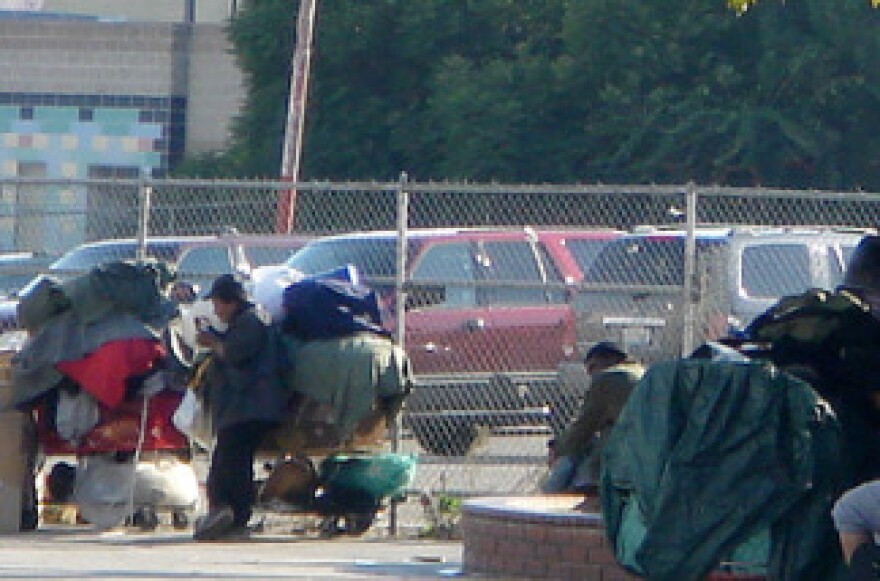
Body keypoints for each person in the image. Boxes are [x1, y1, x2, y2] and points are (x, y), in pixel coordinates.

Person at [192, 274, 288, 541]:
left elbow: (236, 354)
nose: (215, 309)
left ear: (231, 301)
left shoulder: (252, 321)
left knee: (231, 459)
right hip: (245, 406)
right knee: (230, 459)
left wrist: (212, 343)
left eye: (217, 303)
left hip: (251, 405)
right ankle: (230, 512)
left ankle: (232, 512)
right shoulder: (246, 321)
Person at [543, 341, 644, 494]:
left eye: (591, 368)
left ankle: (552, 498)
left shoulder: (610, 379)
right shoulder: (642, 374)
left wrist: (556, 448)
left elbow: (583, 427)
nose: (591, 376)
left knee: (576, 452)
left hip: (625, 457)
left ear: (605, 361)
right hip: (649, 453)